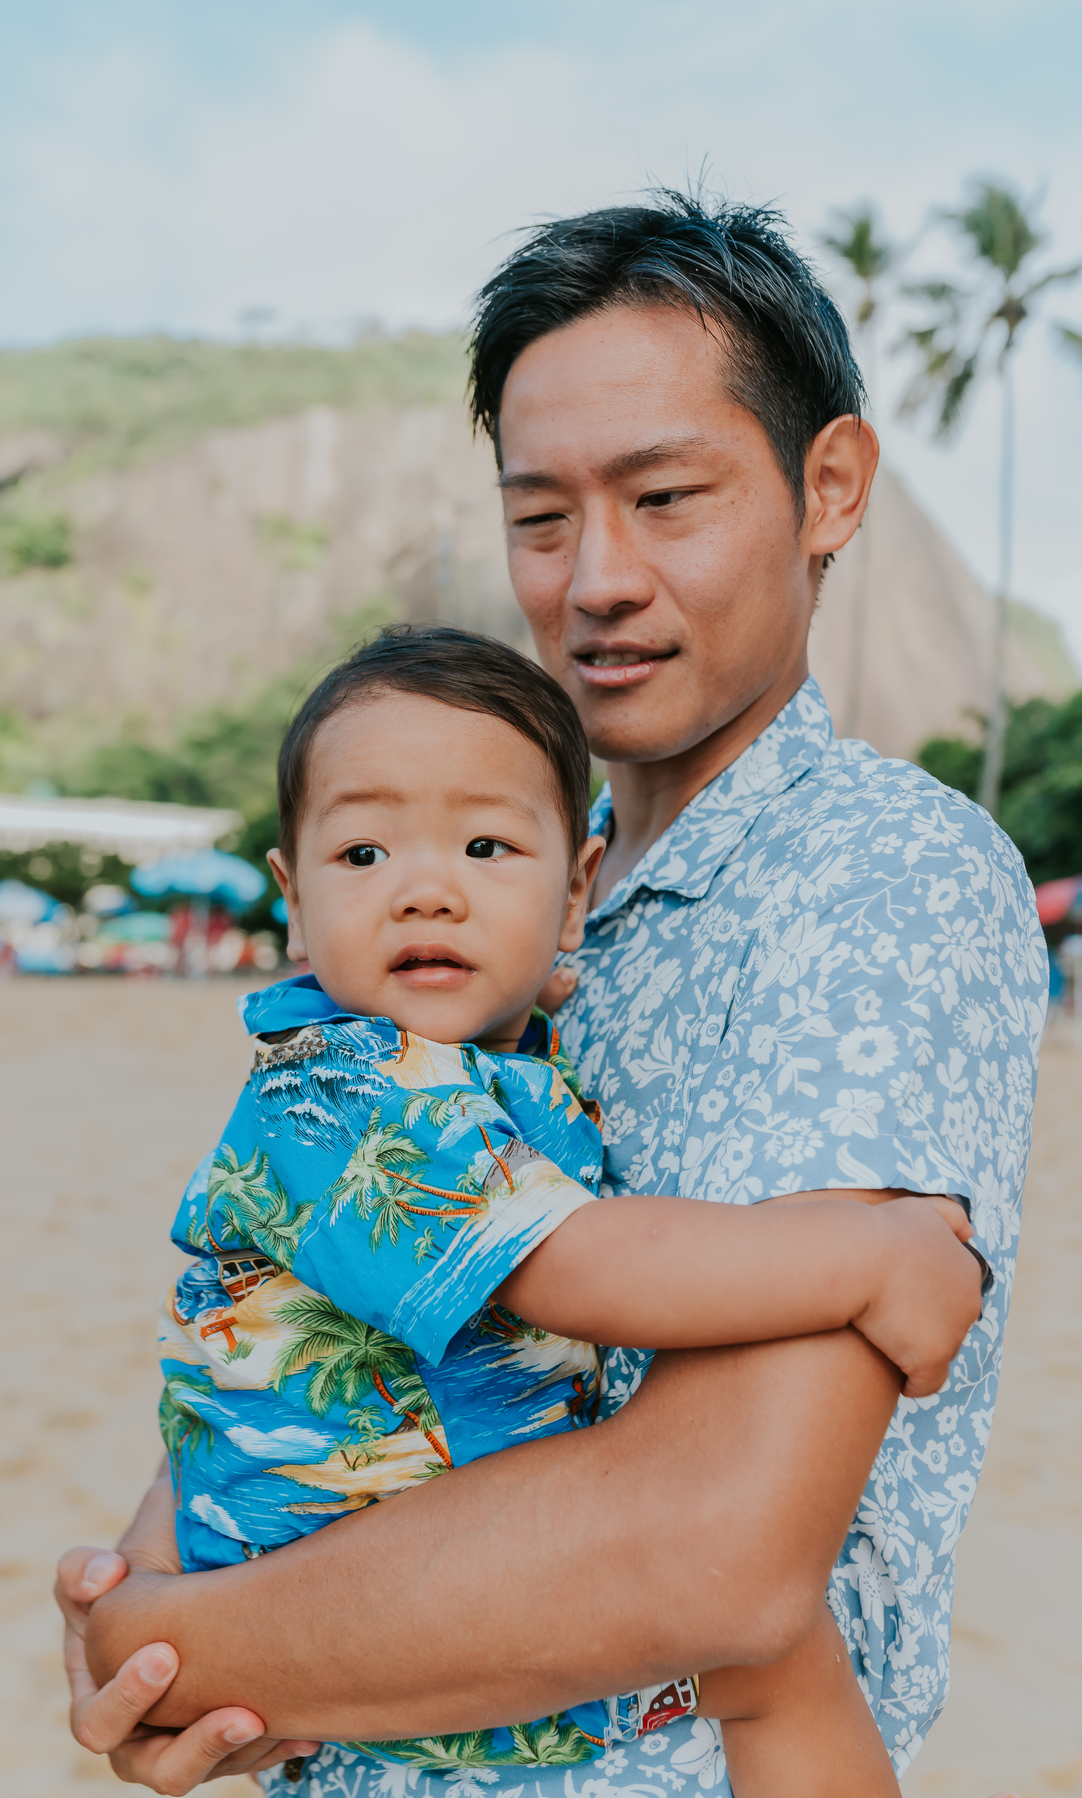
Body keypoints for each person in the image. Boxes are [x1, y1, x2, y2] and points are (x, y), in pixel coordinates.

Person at [57, 191, 1045, 1797]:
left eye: (666, 499)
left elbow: (714, 1554)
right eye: (540, 517)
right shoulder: (503, 900)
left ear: (830, 487)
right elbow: (312, 1316)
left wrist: (188, 1643)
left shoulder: (876, 870)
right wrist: (161, 1590)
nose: (597, 579)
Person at [154, 624, 981, 1798]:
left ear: (577, 888)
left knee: (776, 1659)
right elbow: (576, 1266)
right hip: (362, 1601)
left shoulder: (499, 1060)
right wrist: (868, 1256)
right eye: (363, 852)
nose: (426, 890)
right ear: (294, 899)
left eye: (486, 846)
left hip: (417, 1566)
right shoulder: (330, 1089)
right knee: (778, 1662)